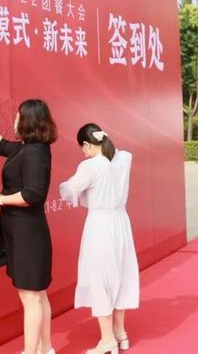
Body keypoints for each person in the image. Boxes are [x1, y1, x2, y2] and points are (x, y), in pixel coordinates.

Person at [0, 99, 57, 354]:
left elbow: (32, 195)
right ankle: (46, 349)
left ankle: (31, 351)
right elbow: (0, 145)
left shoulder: (35, 153)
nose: (15, 120)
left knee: (30, 296)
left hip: (27, 233)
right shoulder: (27, 148)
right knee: (37, 294)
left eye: (18, 116)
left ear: (28, 121)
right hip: (21, 230)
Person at [59, 123, 139, 354]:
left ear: (86, 144)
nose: (83, 152)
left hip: (100, 225)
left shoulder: (91, 166)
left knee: (100, 277)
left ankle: (107, 340)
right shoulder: (123, 159)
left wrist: (68, 187)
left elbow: (69, 190)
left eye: (82, 148)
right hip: (121, 222)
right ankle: (120, 332)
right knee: (121, 275)